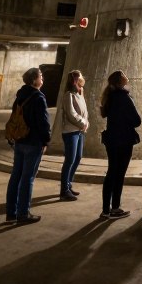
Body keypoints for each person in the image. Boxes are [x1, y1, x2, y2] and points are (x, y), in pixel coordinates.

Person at [5, 67, 51, 224]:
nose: (42, 78)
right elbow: (43, 123)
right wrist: (46, 140)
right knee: (28, 178)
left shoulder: (20, 95)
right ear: (34, 80)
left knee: (15, 176)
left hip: (20, 140)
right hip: (33, 142)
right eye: (40, 76)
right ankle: (23, 213)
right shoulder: (38, 97)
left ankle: (11, 213)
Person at [99, 70, 141, 219]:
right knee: (119, 174)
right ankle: (115, 208)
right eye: (123, 74)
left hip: (111, 139)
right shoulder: (124, 97)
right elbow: (137, 121)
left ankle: (105, 210)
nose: (126, 75)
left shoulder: (109, 97)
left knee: (111, 172)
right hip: (124, 139)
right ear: (120, 81)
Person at [57, 70, 89, 201]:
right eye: (80, 77)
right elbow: (71, 114)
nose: (82, 79)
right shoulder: (68, 95)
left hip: (80, 131)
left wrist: (86, 122)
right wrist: (82, 123)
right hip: (70, 131)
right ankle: (64, 190)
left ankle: (69, 185)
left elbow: (84, 112)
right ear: (75, 80)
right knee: (69, 159)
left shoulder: (80, 94)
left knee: (78, 157)